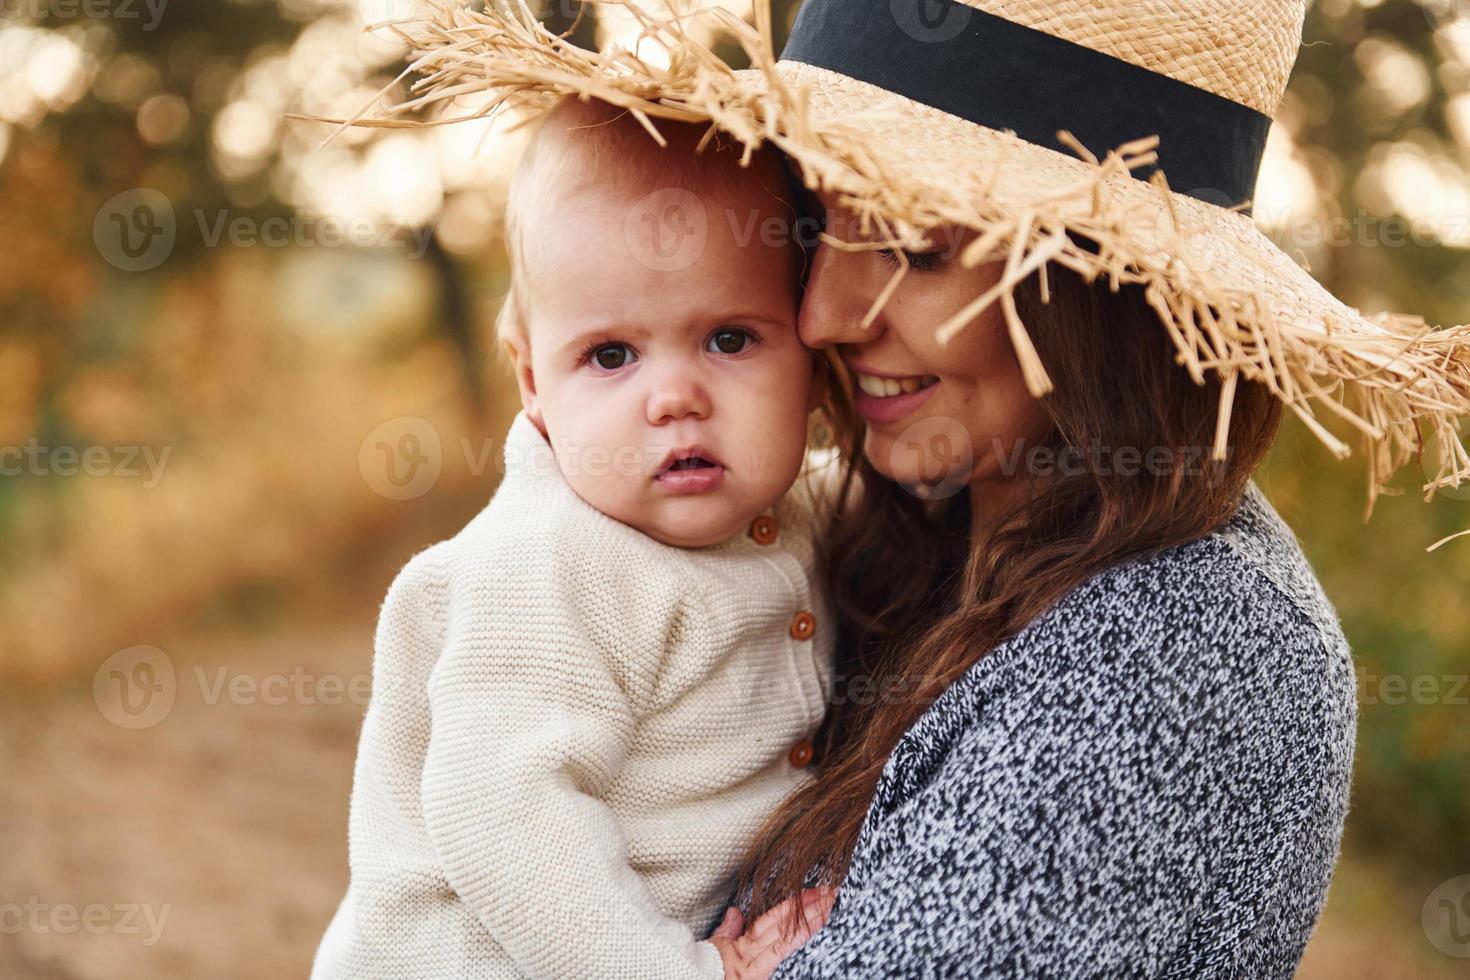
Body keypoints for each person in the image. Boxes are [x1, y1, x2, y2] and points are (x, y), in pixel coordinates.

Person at [333, 0, 1470, 977]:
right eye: (822, 224)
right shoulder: (916, 525)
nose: (823, 313)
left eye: (916, 250)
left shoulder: (1186, 651)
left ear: (1108, 283)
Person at [311, 95, 844, 980]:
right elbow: (503, 812)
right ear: (531, 378)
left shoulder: (787, 517)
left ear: (812, 358)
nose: (674, 397)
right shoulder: (548, 566)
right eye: (610, 356)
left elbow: (830, 505)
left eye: (729, 338)